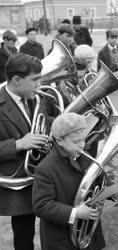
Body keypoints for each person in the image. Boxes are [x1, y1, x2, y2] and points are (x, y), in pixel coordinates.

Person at [32, 112, 105, 250]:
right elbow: (41, 206)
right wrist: (75, 213)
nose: (82, 145)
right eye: (76, 141)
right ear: (59, 141)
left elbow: (98, 180)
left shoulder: (86, 157)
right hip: (61, 238)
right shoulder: (45, 168)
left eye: (84, 139)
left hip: (88, 232)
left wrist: (113, 191)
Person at [0, 53, 50, 250]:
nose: (39, 85)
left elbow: (44, 122)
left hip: (43, 174)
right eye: (35, 80)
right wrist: (19, 144)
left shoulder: (33, 97)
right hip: (18, 181)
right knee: (24, 232)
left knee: (53, 223)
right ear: (17, 80)